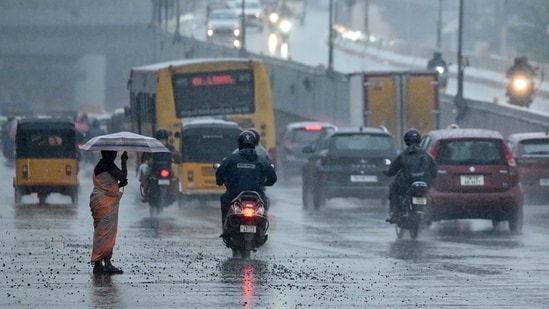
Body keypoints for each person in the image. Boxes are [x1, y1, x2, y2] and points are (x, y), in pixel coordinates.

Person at [215, 130, 277, 242]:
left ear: (239, 144)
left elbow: (220, 173)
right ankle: (262, 229)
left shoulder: (231, 158)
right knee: (265, 202)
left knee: (224, 199)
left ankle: (225, 228)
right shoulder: (261, 160)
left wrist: (220, 181)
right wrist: (266, 183)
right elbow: (273, 177)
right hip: (257, 195)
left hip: (234, 194)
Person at [383, 129, 437, 223]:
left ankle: (394, 214)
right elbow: (434, 169)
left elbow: (393, 170)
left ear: (406, 141)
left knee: (393, 188)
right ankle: (427, 215)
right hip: (424, 182)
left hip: (407, 183)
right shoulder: (426, 155)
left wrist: (387, 172)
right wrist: (430, 179)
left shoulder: (403, 155)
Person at [89, 150, 128, 274]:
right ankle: (106, 264)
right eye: (113, 154)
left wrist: (120, 184)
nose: (114, 155)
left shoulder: (101, 164)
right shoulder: (108, 164)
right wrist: (124, 161)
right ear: (107, 154)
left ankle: (99, 264)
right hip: (105, 201)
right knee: (105, 233)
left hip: (98, 201)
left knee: (101, 232)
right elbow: (122, 176)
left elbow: (115, 181)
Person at [140, 129, 180, 202]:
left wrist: (178, 160)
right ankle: (146, 194)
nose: (162, 141)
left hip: (167, 169)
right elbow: (144, 157)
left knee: (174, 179)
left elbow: (177, 157)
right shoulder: (151, 147)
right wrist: (148, 160)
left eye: (163, 140)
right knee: (145, 178)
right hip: (154, 169)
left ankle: (172, 193)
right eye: (160, 140)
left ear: (166, 139)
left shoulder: (171, 148)